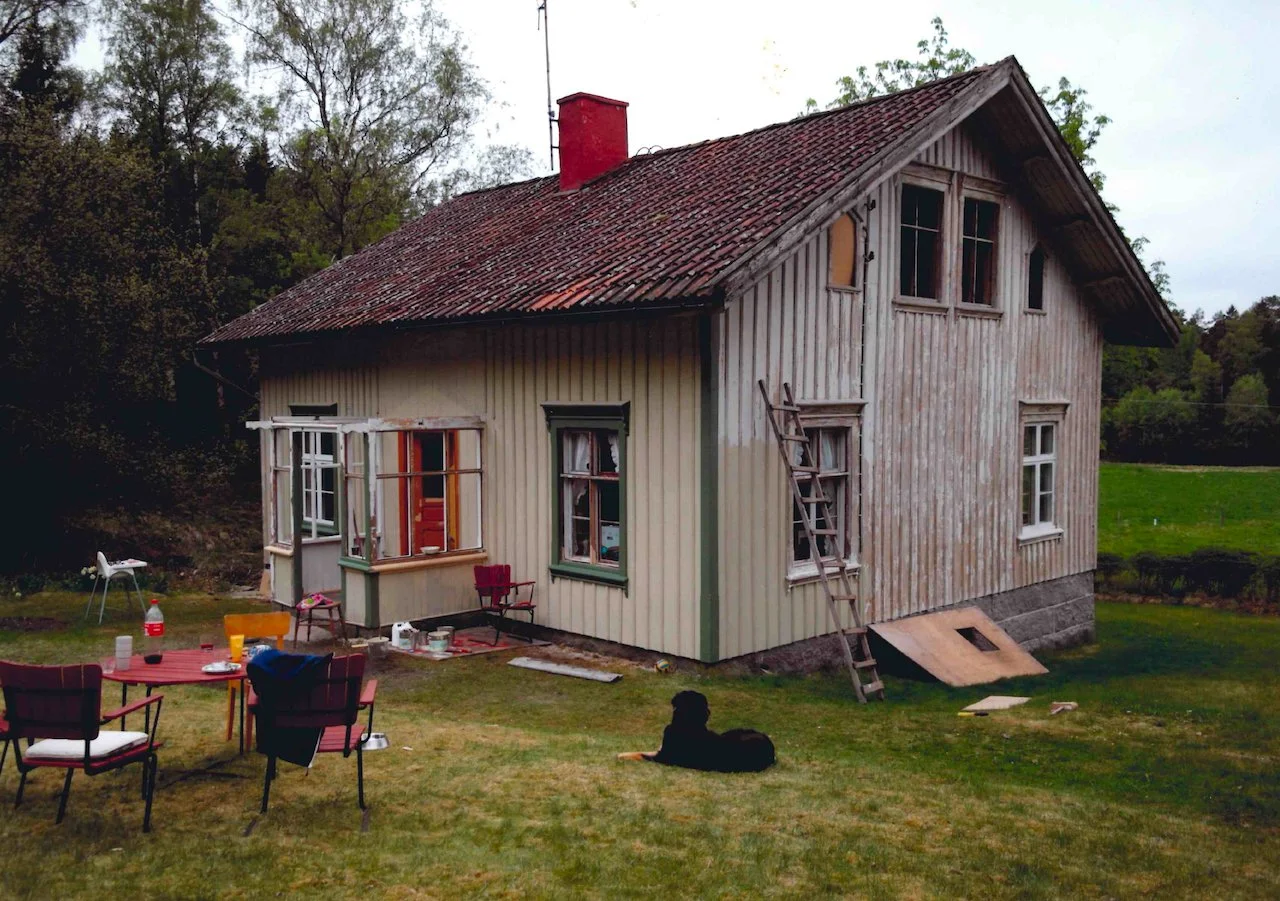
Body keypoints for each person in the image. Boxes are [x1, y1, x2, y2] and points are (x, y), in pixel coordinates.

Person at [617, 690, 775, 772]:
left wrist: (627, 755)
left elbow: (660, 757)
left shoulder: (674, 735)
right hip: (760, 752)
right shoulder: (706, 741)